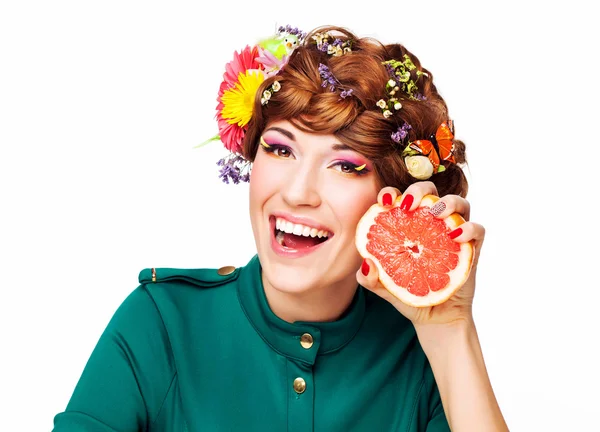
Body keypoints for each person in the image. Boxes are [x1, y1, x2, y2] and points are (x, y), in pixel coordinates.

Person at [53, 25, 508, 431]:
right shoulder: (162, 323)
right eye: (281, 150)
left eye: (345, 166)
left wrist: (451, 331)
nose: (297, 193)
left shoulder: (422, 353)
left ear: (393, 200)